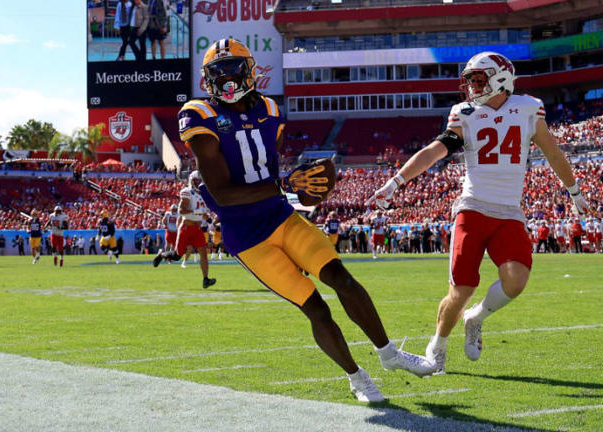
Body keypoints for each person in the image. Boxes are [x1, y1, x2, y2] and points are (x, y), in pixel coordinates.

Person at [174, 38, 437, 402]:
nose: (226, 79)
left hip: (281, 216)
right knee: (314, 306)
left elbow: (261, 165)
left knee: (341, 277)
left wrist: (290, 186)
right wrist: (282, 184)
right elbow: (223, 193)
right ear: (207, 79)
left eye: (233, 69)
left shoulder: (270, 109)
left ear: (249, 71)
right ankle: (357, 377)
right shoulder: (197, 113)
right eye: (218, 73)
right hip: (247, 236)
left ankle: (389, 353)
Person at [366, 51, 590, 373]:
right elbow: (435, 151)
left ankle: (476, 317)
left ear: (500, 78)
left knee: (516, 281)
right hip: (473, 208)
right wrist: (396, 181)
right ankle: (438, 345)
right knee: (462, 289)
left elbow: (552, 153)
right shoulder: (465, 113)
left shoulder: (528, 108)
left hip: (509, 211)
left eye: (478, 79)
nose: (472, 86)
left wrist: (575, 191)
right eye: (470, 80)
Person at [153, 171, 216, 288]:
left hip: (197, 229)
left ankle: (205, 279)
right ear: (191, 180)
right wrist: (195, 212)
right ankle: (162, 255)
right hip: (186, 227)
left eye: (199, 181)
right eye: (196, 180)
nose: (198, 183)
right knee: (177, 256)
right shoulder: (187, 192)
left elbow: (202, 214)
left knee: (203, 252)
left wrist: (211, 222)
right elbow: (181, 211)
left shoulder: (202, 195)